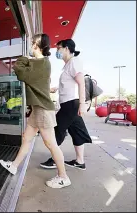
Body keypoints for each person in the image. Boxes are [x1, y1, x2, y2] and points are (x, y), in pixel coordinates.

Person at [0, 34, 71, 188]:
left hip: (43, 109)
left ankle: (63, 176)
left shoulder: (42, 64)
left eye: (32, 43)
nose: (30, 46)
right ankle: (14, 165)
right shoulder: (39, 63)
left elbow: (19, 70)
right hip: (37, 108)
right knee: (26, 138)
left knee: (51, 144)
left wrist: (24, 58)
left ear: (36, 45)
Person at [40, 39, 92, 170]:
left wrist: (82, 103)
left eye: (59, 48)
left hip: (71, 104)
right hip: (69, 104)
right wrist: (57, 88)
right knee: (77, 131)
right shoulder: (68, 65)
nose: (57, 51)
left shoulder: (74, 62)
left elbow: (81, 83)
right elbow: (70, 82)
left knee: (57, 131)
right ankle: (80, 161)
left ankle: (54, 160)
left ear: (67, 48)